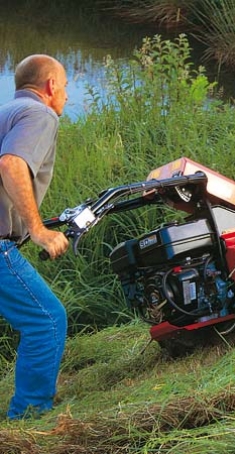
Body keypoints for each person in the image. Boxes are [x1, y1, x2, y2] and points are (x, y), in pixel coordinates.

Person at [0, 54, 70, 419]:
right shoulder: (40, 114)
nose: (67, 97)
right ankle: (28, 420)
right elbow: (11, 163)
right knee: (46, 319)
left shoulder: (6, 112)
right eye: (66, 87)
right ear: (50, 85)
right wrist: (38, 230)